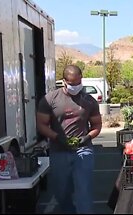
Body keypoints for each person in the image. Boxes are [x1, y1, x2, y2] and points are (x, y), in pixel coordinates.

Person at [36, 65, 102, 213]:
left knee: (83, 189)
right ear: (64, 81)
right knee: (61, 191)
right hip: (58, 150)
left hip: (83, 150)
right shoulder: (50, 99)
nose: (75, 86)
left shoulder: (89, 101)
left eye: (78, 83)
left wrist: (86, 137)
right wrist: (57, 137)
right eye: (72, 84)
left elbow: (97, 125)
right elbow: (41, 125)